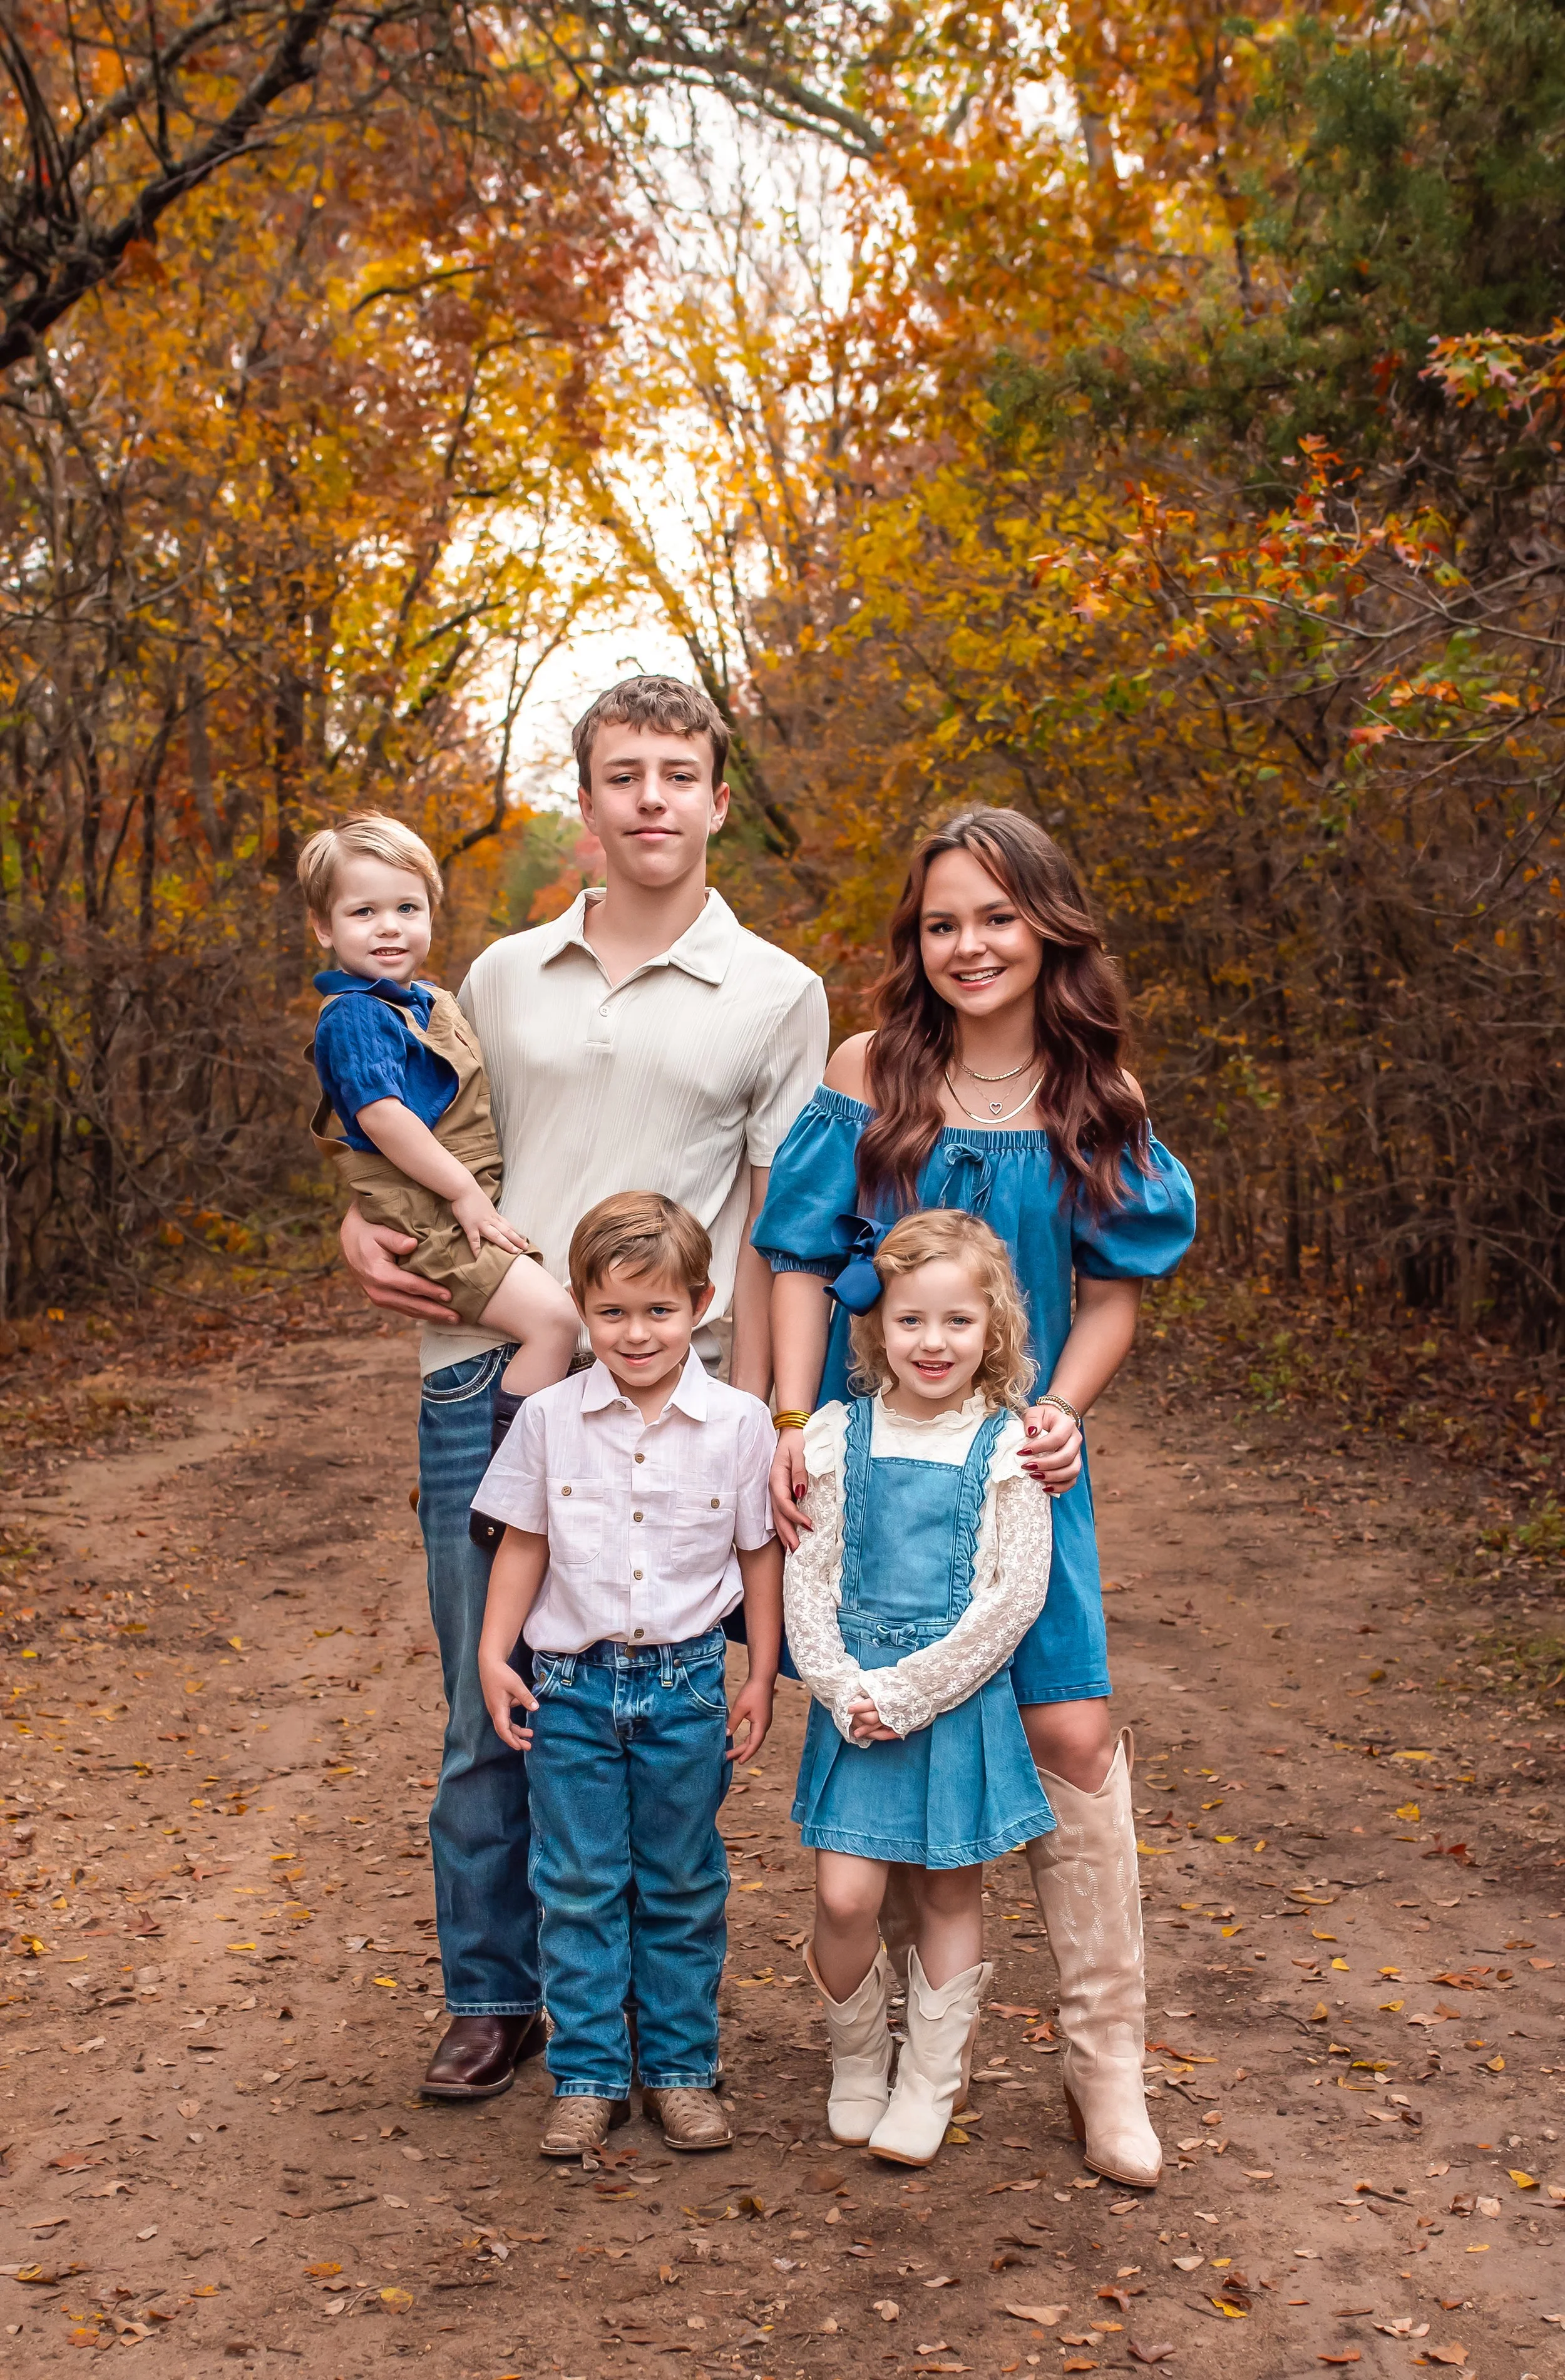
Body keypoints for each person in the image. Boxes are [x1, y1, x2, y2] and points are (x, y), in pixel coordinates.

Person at [337, 677, 828, 2102]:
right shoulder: (492, 975)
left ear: (719, 800)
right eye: (626, 774)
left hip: (678, 1405)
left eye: (682, 772)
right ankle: (494, 1996)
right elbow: (426, 1150)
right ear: (591, 802)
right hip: (484, 1375)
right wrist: (351, 1225)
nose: (655, 797)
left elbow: (778, 1227)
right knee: (490, 1695)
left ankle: (646, 2013)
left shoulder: (779, 996)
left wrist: (771, 1423)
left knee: (660, 1702)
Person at [754, 806, 1197, 2189]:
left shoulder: (1094, 1096)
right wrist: (787, 1418)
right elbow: (791, 1255)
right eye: (941, 921)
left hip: (1020, 1457)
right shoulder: (865, 1072)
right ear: (915, 939)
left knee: (1070, 1723)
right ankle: (889, 2043)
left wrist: (1058, 1408)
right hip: (876, 1459)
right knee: (885, 1713)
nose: (968, 945)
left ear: (1046, 925)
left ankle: (1102, 2063)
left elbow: (1113, 1295)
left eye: (995, 917)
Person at [472, 1193, 782, 2157]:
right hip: (569, 1686)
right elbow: (523, 1539)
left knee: (683, 1881)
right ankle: (591, 2072)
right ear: (579, 1306)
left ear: (702, 1303)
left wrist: (762, 1672)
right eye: (612, 1312)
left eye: (659, 1310)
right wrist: (494, 1651)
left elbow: (761, 1553)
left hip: (688, 1686)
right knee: (576, 1881)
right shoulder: (550, 1419)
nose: (636, 1333)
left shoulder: (738, 1423)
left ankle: (682, 2069)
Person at [785, 1211, 1055, 2168]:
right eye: (910, 1321)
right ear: (876, 1327)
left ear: (993, 1331)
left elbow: (1013, 1598)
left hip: (952, 1698)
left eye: (956, 1322)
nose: (932, 1343)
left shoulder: (1010, 1446)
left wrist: (909, 1692)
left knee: (948, 1891)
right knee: (848, 1895)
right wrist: (841, 1685)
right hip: (853, 1700)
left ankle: (929, 2079)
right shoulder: (832, 1437)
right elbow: (806, 1579)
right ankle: (857, 2055)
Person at [299, 815, 581, 1402]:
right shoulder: (355, 1014)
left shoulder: (428, 1003)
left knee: (563, 1313)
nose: (390, 928)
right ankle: (511, 1460)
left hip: (455, 1197)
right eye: (363, 912)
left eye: (408, 908)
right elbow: (382, 1116)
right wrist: (461, 1191)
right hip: (431, 1211)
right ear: (323, 927)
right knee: (556, 1323)